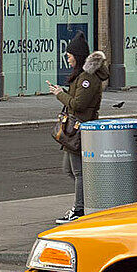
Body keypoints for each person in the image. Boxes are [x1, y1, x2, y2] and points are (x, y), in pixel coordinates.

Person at [51, 37, 109, 220]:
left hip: (80, 128)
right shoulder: (81, 75)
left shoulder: (87, 78)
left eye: (69, 56)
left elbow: (79, 104)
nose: (67, 59)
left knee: (78, 171)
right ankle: (87, 199)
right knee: (69, 169)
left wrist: (60, 95)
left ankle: (79, 209)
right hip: (74, 129)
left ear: (77, 56)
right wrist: (62, 93)